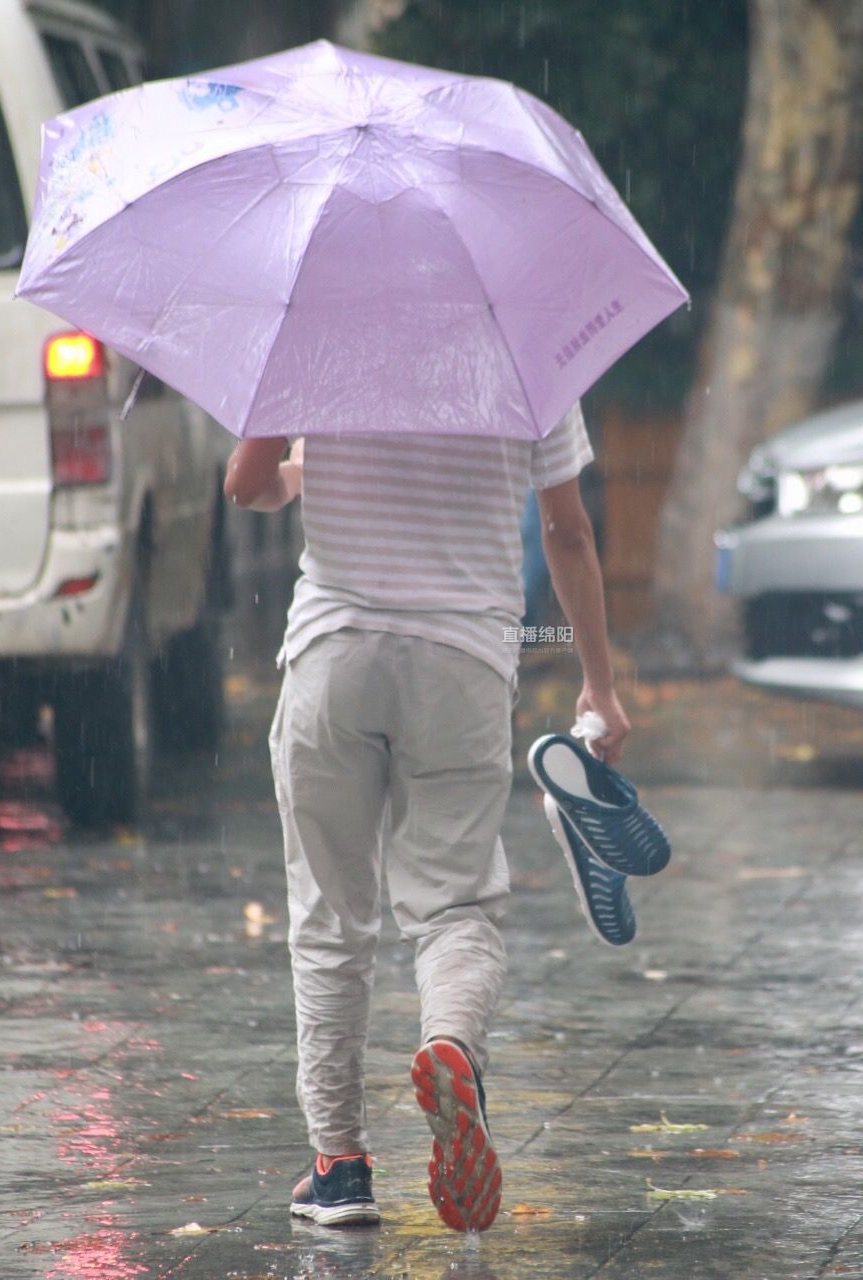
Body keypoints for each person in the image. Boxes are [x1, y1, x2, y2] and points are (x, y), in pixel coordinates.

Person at [224, 407, 628, 1233]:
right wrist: (600, 683)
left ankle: (339, 1169)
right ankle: (449, 1045)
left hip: (333, 657)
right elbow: (568, 531)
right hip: (463, 665)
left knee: (331, 917)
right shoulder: (527, 344)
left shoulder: (322, 321)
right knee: (456, 906)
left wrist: (303, 470)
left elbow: (246, 485)